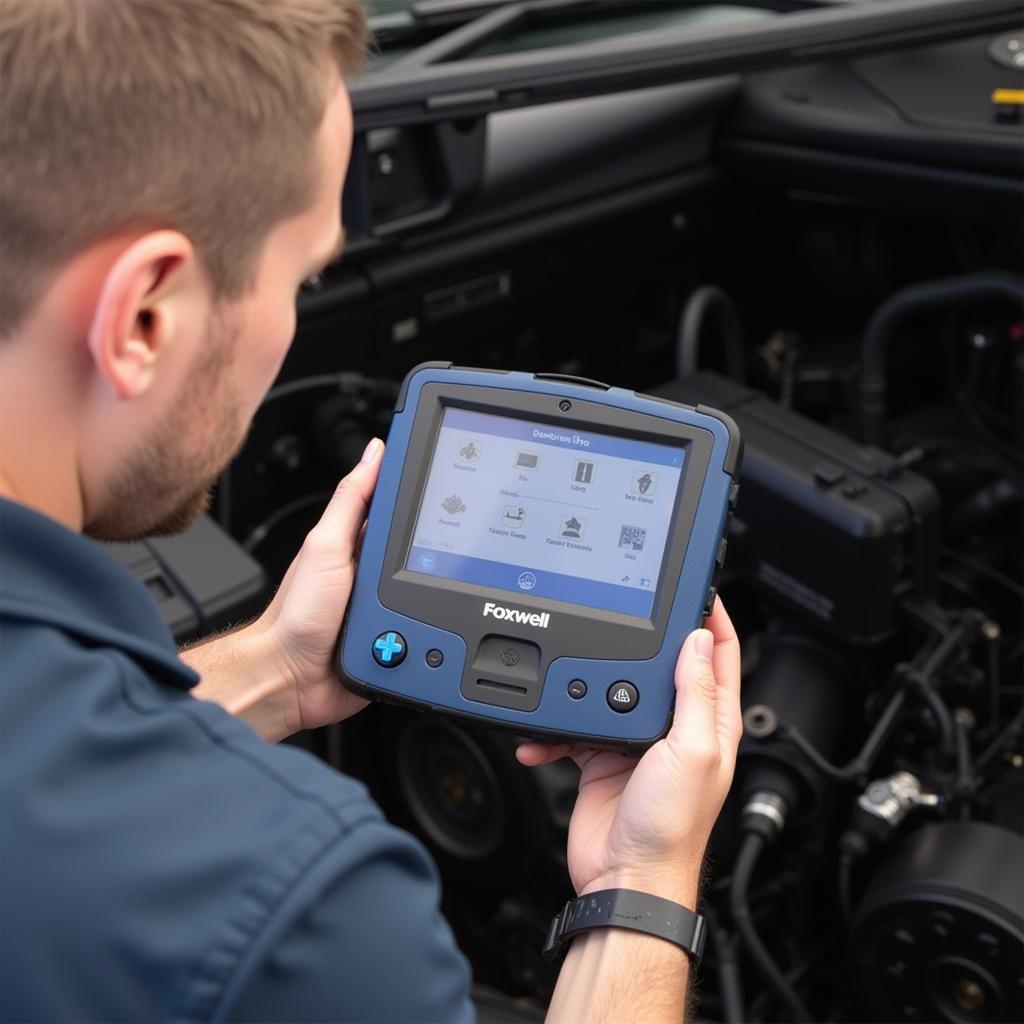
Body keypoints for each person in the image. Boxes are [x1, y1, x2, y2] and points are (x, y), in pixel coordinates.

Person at [0, 1, 743, 1021]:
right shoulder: (288, 907)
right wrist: (644, 883)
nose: (286, 328)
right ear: (143, 316)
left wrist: (276, 666)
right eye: (300, 278)